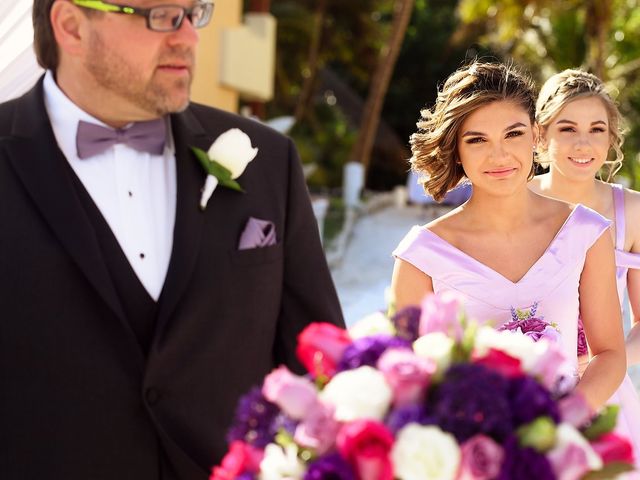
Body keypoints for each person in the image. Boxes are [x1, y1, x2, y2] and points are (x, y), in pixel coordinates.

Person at [0, 1, 344, 479]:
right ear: (72, 26)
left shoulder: (268, 161)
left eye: (193, 13)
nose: (188, 37)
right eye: (161, 15)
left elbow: (318, 364)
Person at [391, 62, 626, 415]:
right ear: (456, 148)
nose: (499, 155)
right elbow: (405, 377)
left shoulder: (586, 232)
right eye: (477, 139)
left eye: (513, 134)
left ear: (535, 135)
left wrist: (561, 423)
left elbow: (609, 354)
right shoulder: (421, 256)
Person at [529, 68, 640, 466]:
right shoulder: (511, 201)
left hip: (604, 391)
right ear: (540, 135)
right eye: (567, 128)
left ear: (611, 138)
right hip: (524, 387)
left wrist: (599, 363)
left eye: (597, 129)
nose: (583, 143)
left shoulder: (634, 211)